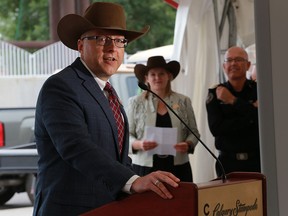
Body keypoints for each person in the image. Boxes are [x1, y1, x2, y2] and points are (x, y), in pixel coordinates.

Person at [33, 3, 180, 216]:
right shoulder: (61, 87)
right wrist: (133, 181)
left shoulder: (108, 92)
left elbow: (116, 156)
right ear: (80, 45)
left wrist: (143, 184)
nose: (112, 48)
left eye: (120, 41)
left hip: (108, 209)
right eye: (102, 39)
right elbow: (76, 146)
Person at [127, 56, 200, 182]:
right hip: (144, 168)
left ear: (169, 76)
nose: (157, 78)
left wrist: (188, 144)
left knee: (181, 202)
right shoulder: (135, 102)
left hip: (178, 167)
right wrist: (139, 144)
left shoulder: (183, 101)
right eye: (153, 74)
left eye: (161, 74)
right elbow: (125, 135)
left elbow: (194, 132)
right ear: (146, 78)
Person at [206, 46, 260, 177]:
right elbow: (216, 128)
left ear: (248, 65)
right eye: (229, 60)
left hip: (256, 161)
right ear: (224, 66)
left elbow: (262, 121)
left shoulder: (258, 90)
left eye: (238, 60)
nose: (233, 63)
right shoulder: (215, 92)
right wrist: (250, 114)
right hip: (227, 163)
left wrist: (233, 101)